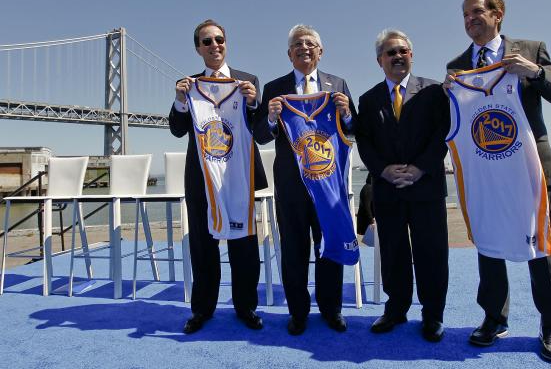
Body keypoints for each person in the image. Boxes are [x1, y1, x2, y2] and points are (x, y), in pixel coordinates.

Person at [445, 0, 551, 363]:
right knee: (488, 243)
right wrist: (446, 94)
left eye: (476, 13)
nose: (470, 21)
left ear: (497, 14)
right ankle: (493, 318)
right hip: (485, 168)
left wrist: (534, 73)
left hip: (531, 168)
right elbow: (454, 117)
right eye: (465, 16)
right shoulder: (456, 66)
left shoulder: (531, 49)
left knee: (542, 247)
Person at [253, 24, 356, 335]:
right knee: (294, 250)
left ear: (320, 51)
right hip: (291, 186)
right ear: (289, 53)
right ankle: (298, 312)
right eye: (298, 44)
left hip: (328, 185)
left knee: (329, 247)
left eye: (310, 43)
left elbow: (352, 130)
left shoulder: (337, 84)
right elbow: (259, 136)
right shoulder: (274, 88)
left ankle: (331, 309)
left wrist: (348, 112)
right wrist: (270, 118)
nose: (304, 48)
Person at [169, 19, 268, 334]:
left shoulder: (248, 81)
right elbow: (176, 129)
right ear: (198, 48)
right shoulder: (188, 85)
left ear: (226, 42)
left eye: (219, 39)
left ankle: (246, 307)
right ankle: (202, 310)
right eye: (207, 41)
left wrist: (254, 103)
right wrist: (180, 101)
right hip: (202, 179)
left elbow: (263, 130)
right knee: (202, 246)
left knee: (245, 245)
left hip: (238, 174)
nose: (215, 45)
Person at [355, 29, 449, 342]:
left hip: (426, 188)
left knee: (431, 253)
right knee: (393, 253)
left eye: (403, 51)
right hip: (388, 189)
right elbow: (364, 142)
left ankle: (433, 316)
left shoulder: (434, 92)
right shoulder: (367, 100)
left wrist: (420, 169)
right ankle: (395, 310)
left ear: (411, 55)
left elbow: (443, 136)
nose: (398, 57)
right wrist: (383, 170)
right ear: (379, 60)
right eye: (391, 52)